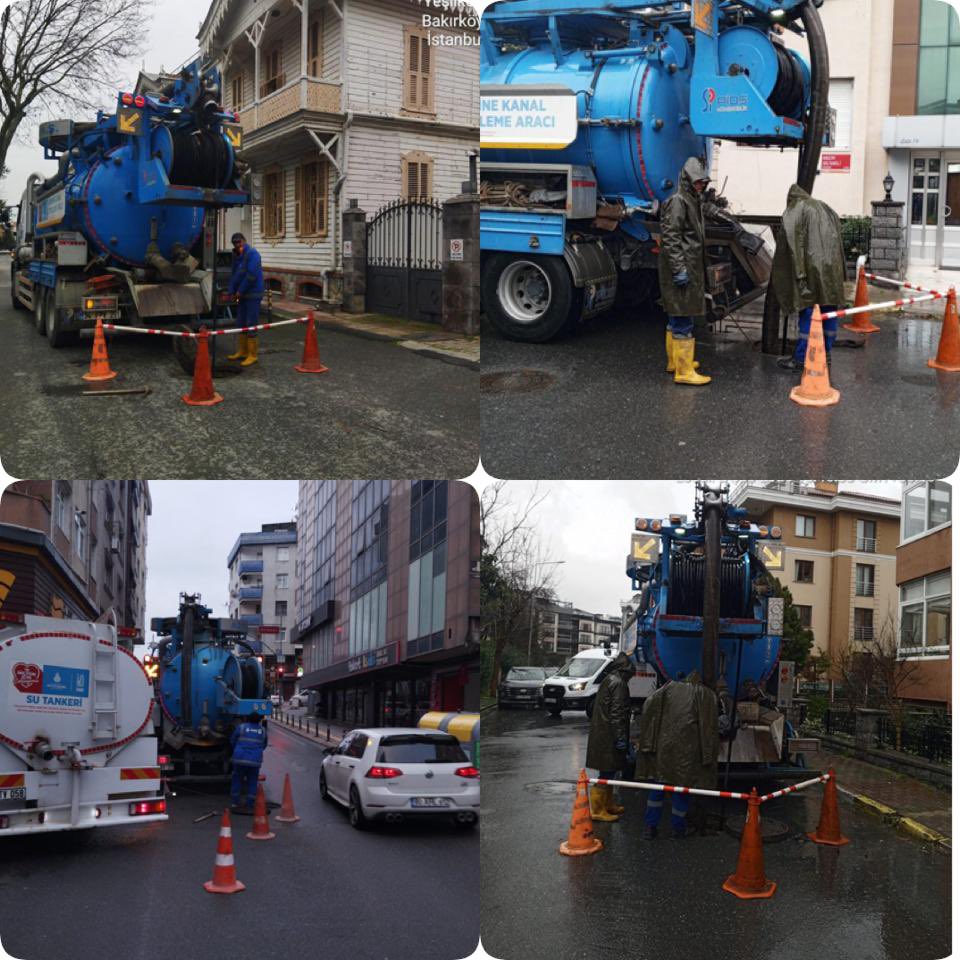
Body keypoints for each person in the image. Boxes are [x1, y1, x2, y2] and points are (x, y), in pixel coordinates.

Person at [635, 670, 718, 839]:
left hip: (664, 749)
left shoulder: (667, 689)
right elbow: (708, 725)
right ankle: (677, 830)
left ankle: (650, 828)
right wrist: (708, 754)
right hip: (687, 753)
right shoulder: (703, 693)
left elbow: (649, 705)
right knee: (681, 790)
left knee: (658, 788)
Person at [771, 184, 846, 371]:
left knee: (808, 314)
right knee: (829, 313)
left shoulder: (797, 209)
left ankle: (802, 359)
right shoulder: (826, 209)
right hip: (831, 274)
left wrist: (799, 276)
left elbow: (794, 246)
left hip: (810, 274)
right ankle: (825, 354)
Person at [657, 157, 712, 386]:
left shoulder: (690, 200)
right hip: (681, 269)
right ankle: (684, 371)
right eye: (697, 182)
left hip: (685, 267)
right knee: (683, 319)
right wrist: (680, 269)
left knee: (677, 315)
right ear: (688, 181)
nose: (700, 186)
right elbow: (671, 237)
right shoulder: (679, 201)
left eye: (703, 182)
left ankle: (675, 362)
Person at [584, 652, 635, 822]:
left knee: (608, 772)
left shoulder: (609, 680)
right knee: (606, 773)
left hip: (603, 734)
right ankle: (598, 809)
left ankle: (607, 804)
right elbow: (617, 714)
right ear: (626, 671)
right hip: (609, 737)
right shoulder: (619, 683)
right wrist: (621, 738)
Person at [226, 232, 265, 367]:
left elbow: (251, 276)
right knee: (241, 321)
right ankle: (242, 351)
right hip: (241, 296)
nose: (237, 245)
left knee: (251, 322)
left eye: (239, 242)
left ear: (244, 240)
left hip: (253, 294)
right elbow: (236, 275)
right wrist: (231, 290)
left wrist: (239, 291)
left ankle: (253, 355)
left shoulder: (253, 254)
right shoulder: (239, 257)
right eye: (235, 243)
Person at [230, 713, 268, 812]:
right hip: (254, 761)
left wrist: (237, 750)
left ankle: (235, 803)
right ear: (259, 720)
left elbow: (232, 740)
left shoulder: (241, 727)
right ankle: (250, 804)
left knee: (237, 780)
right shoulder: (263, 731)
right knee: (252, 781)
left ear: (246, 719)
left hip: (240, 759)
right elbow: (264, 745)